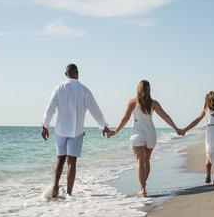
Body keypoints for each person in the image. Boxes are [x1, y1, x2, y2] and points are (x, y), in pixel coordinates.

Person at [41, 63, 110, 198]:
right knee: (71, 163)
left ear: (66, 74)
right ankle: (69, 194)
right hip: (76, 131)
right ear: (77, 73)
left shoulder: (59, 88)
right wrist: (103, 126)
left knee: (60, 159)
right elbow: (94, 110)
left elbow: (50, 109)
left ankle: (55, 188)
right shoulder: (85, 90)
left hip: (60, 130)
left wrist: (45, 125)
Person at [107, 80, 181, 196]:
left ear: (138, 89)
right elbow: (165, 116)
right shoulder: (154, 103)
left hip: (137, 134)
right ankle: (144, 185)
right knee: (146, 160)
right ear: (149, 89)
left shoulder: (132, 102)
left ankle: (142, 189)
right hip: (151, 133)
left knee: (140, 161)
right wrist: (176, 128)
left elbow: (125, 119)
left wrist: (115, 131)